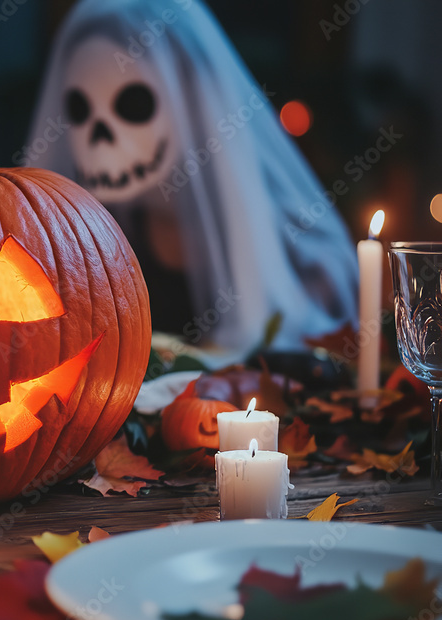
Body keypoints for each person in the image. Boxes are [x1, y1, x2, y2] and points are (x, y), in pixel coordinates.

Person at [26, 0, 358, 358]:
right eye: (79, 110)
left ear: (191, 103)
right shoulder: (97, 242)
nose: (99, 139)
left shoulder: (293, 242)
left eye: (133, 106)